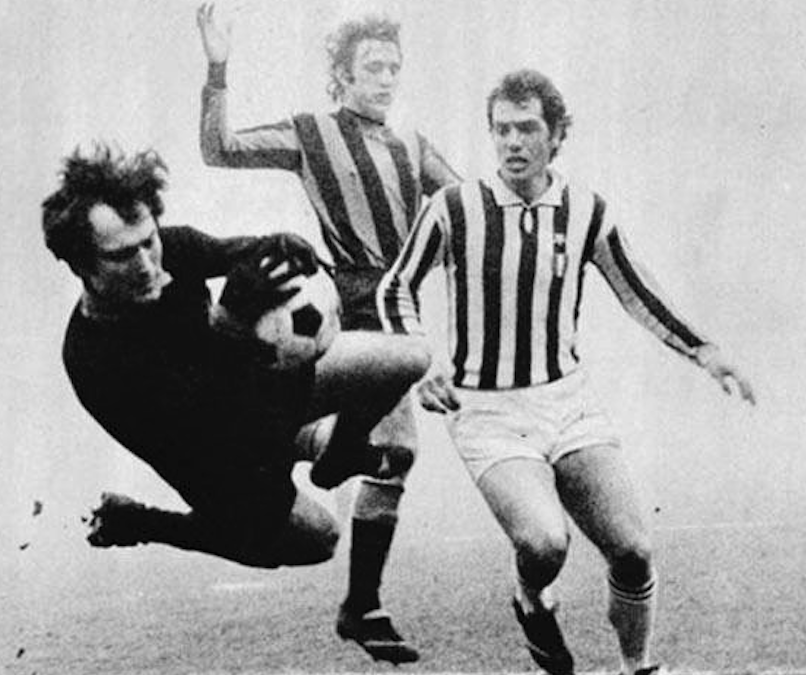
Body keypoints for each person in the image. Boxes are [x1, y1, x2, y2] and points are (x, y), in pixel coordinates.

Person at [377, 69, 756, 675]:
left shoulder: (585, 210)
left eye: (527, 128)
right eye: (502, 129)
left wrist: (705, 351)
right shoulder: (455, 208)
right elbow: (396, 287)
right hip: (487, 411)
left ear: (556, 135)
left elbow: (638, 293)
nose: (512, 142)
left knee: (633, 548)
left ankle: (638, 666)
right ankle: (531, 600)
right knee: (544, 543)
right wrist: (419, 361)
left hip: (567, 401)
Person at [196, 2, 460, 662]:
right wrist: (218, 67)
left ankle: (358, 598)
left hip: (396, 303)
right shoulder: (311, 132)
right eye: (373, 67)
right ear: (341, 74)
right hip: (342, 301)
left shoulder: (413, 144)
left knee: (393, 455)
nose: (387, 78)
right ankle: (355, 586)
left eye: (394, 67)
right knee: (377, 446)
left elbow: (468, 214)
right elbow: (219, 149)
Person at [42, 143, 429, 574]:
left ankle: (336, 451)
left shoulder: (174, 248)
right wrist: (229, 323)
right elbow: (215, 418)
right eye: (121, 256)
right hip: (218, 458)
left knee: (410, 358)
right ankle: (141, 522)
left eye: (148, 241)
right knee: (319, 540)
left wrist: (276, 248)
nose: (147, 265)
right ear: (81, 264)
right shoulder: (94, 360)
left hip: (258, 393)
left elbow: (231, 252)